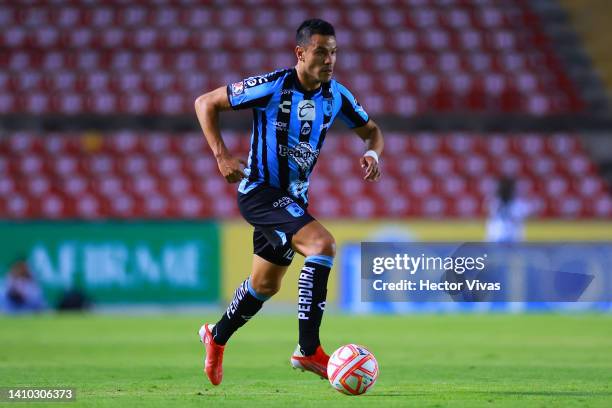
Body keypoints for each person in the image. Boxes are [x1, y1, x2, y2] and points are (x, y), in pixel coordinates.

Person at [194, 18, 384, 386]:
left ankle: (215, 336)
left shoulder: (337, 95)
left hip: (292, 198)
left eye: (334, 52)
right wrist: (221, 156)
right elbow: (205, 103)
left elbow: (372, 131)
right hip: (260, 192)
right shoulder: (272, 86)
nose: (329, 60)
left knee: (264, 286)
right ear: (300, 52)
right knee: (322, 244)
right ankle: (308, 349)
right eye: (320, 52)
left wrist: (373, 154)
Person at [485, 177, 532, 242]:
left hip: (513, 237)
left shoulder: (519, 204)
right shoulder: (494, 202)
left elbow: (528, 215)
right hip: (497, 236)